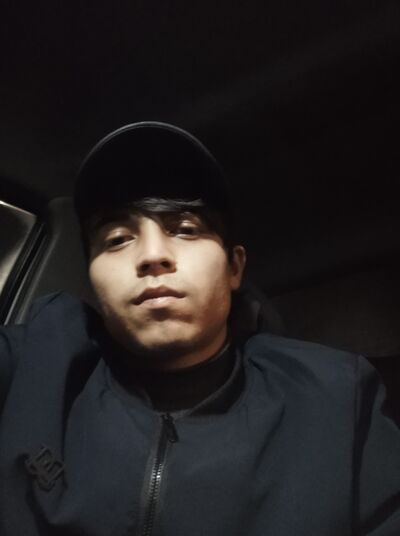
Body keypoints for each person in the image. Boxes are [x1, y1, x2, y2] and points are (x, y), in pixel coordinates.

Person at [1, 121, 400, 536]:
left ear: (234, 268)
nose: (152, 255)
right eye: (117, 239)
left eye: (185, 229)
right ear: (91, 277)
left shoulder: (335, 396)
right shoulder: (36, 362)